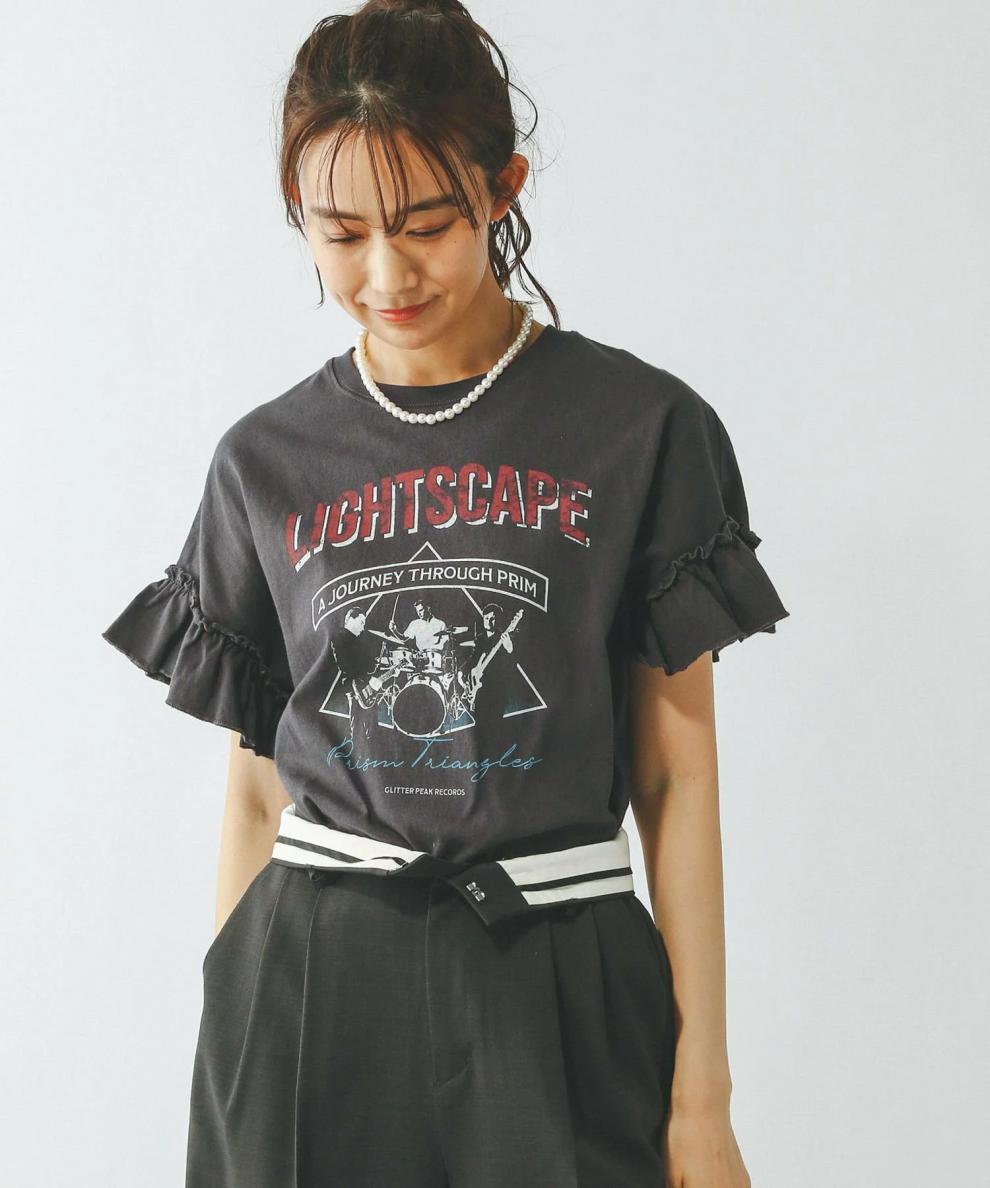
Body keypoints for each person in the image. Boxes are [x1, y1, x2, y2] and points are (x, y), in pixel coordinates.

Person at [101, 2, 790, 1185]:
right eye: (340, 233)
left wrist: (702, 1102)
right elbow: (258, 792)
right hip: (310, 987)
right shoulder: (264, 459)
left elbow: (677, 777)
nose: (387, 274)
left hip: (558, 971)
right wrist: (238, 1049)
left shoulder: (640, 429)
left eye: (426, 225)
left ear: (502, 188)